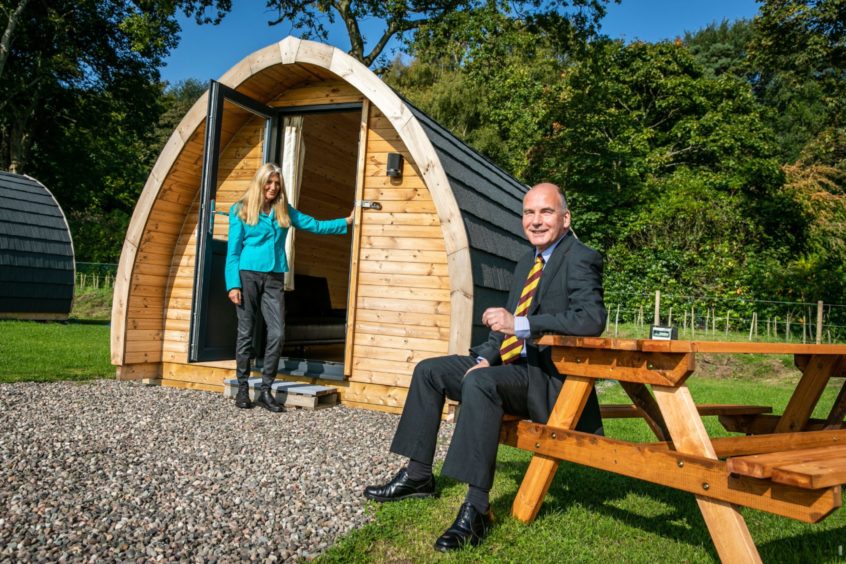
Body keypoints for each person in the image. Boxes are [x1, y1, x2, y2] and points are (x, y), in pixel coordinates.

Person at [363, 182, 606, 551]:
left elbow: (590, 319)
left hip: (545, 379)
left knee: (481, 385)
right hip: (508, 365)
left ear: (565, 218)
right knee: (430, 370)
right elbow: (503, 329)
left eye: (545, 212)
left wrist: (521, 326)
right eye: (529, 212)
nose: (535, 221)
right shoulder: (526, 261)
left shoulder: (580, 257)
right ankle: (418, 476)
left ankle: (476, 509)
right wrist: (483, 358)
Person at [225, 162, 353, 412]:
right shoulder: (240, 209)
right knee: (246, 333)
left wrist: (347, 221)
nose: (273, 187)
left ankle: (265, 390)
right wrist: (233, 285)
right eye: (269, 183)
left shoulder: (284, 210)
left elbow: (315, 225)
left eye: (277, 183)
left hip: (273, 278)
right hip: (247, 275)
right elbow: (233, 251)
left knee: (278, 333)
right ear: (260, 183)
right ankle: (242, 389)